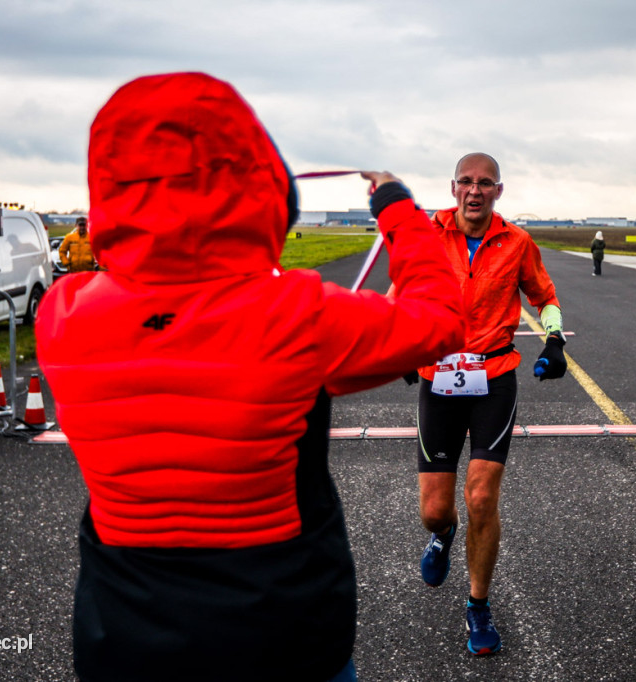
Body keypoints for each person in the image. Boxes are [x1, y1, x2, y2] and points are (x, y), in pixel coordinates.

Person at [35, 72, 465, 682]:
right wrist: (398, 209)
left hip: (122, 639)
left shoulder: (63, 314)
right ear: (261, 184)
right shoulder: (298, 313)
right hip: (283, 639)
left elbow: (160, 315)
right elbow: (440, 320)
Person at [412, 152, 565, 656]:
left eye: (485, 183)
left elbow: (544, 296)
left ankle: (478, 607)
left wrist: (555, 340)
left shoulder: (516, 241)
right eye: (466, 182)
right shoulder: (426, 235)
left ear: (499, 191)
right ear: (453, 187)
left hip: (493, 376)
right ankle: (443, 534)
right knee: (435, 510)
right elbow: (400, 291)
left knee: (481, 498)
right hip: (438, 376)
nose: (474, 191)